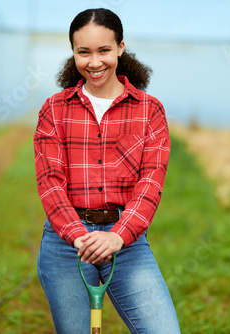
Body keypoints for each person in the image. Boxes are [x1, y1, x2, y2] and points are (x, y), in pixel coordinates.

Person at [34, 8, 181, 334]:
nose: (94, 62)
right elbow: (50, 182)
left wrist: (118, 235)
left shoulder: (149, 110)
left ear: (120, 48)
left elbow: (150, 183)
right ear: (73, 52)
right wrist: (78, 236)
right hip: (66, 246)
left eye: (104, 50)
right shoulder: (55, 110)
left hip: (127, 243)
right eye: (83, 52)